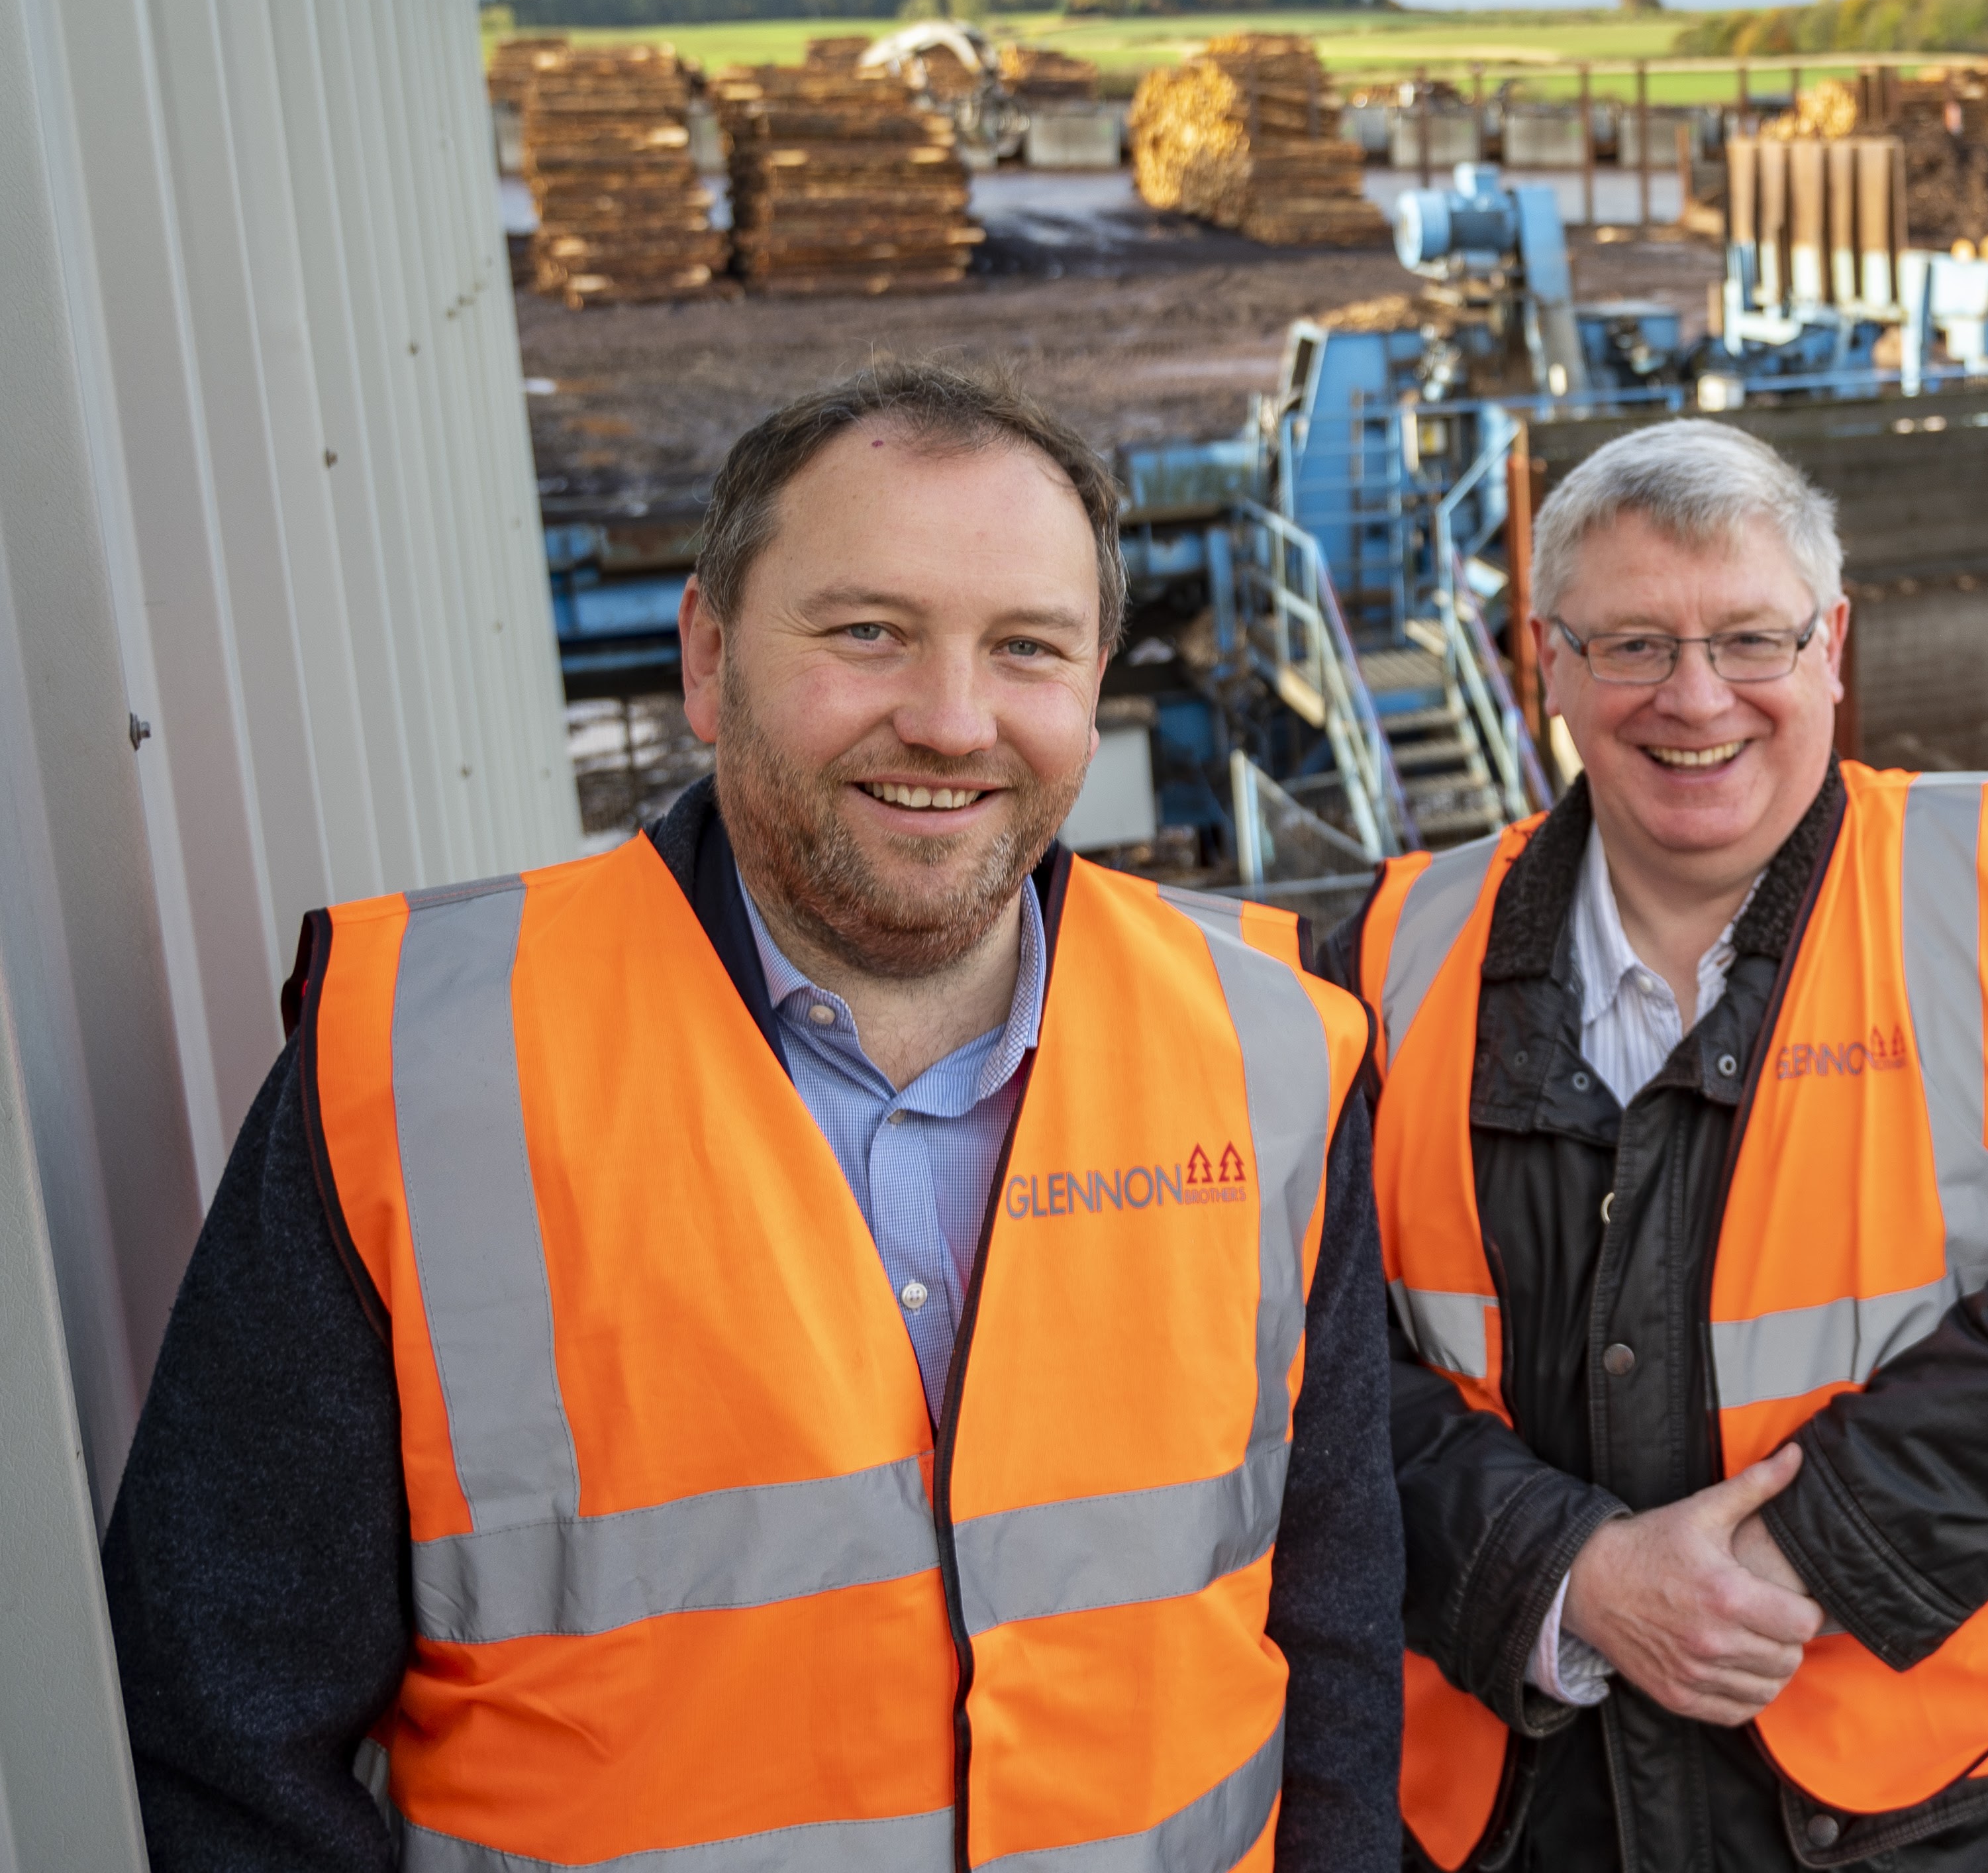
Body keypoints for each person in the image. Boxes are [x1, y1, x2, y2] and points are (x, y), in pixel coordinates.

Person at [104, 359, 1400, 1871]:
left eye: (1028, 648)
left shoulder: (1275, 1048)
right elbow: (223, 1733)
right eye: (869, 632)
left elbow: (1334, 1627)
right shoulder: (416, 1069)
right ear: (708, 657)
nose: (951, 718)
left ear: (1096, 680)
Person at [1333, 419, 1988, 1870]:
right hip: (1535, 1820)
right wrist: (1571, 1575)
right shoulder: (1395, 955)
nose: (1695, 696)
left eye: (1752, 640)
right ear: (1552, 663)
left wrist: (1795, 1558)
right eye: (1634, 644)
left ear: (1831, 644)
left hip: (1951, 1814)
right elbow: (1302, 1352)